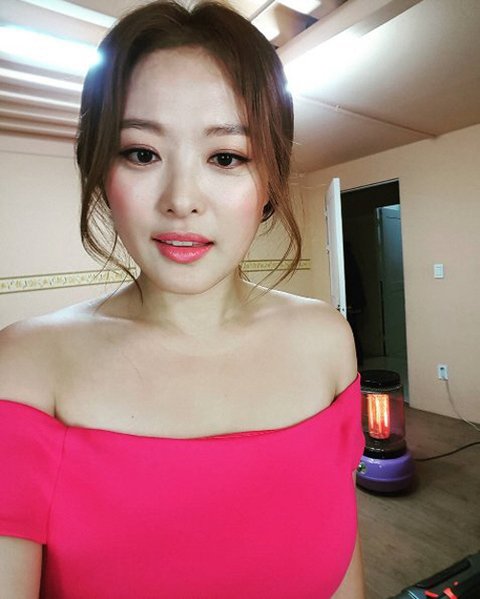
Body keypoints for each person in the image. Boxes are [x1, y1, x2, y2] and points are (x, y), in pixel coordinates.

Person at [0, 1, 365, 597]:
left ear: (269, 180)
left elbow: (347, 574)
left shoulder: (327, 341)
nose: (182, 199)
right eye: (142, 153)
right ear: (102, 172)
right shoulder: (25, 368)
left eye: (226, 157)